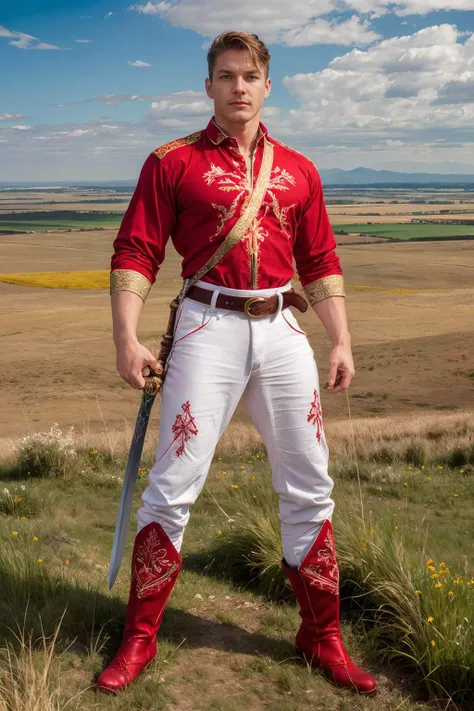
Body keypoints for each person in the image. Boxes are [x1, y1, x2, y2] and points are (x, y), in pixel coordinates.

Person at [96, 31, 376, 696]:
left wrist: (339, 339)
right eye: (226, 75)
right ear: (209, 86)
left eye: (250, 75)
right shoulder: (171, 162)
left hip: (282, 328)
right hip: (205, 325)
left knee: (309, 482)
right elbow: (136, 250)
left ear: (268, 84)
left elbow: (321, 260)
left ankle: (321, 634)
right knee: (173, 484)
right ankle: (139, 638)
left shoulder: (300, 170)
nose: (239, 87)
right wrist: (125, 339)